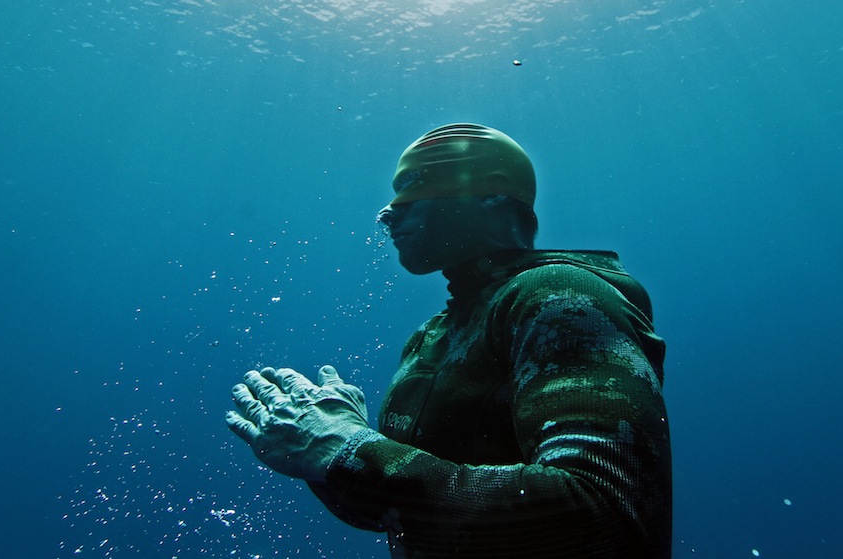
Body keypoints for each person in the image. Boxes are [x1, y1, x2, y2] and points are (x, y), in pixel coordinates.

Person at [227, 123, 671, 558]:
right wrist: (323, 448)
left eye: (415, 183)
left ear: (494, 191)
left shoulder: (554, 294)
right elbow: (402, 512)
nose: (388, 211)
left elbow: (604, 515)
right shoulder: (431, 336)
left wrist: (345, 449)